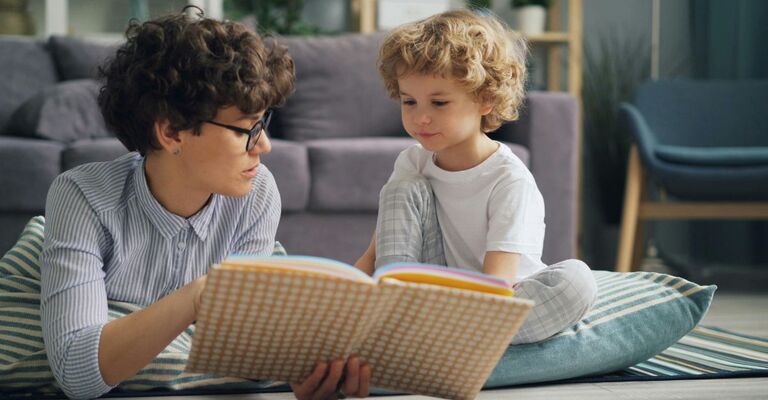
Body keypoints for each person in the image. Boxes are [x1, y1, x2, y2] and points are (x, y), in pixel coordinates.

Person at [40, 8, 369, 400]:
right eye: (245, 129)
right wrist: (203, 294)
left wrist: (303, 367)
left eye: (262, 124)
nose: (264, 146)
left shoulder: (257, 192)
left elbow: (242, 345)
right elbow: (77, 374)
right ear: (171, 132)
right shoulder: (82, 197)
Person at [355, 9, 597, 344]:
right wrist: (348, 304)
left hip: (498, 297)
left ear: (485, 99)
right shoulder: (412, 162)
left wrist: (473, 319)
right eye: (409, 102)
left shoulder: (509, 180)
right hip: (436, 297)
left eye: (439, 103)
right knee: (403, 189)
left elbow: (498, 284)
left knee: (576, 281)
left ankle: (439, 340)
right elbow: (376, 253)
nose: (421, 117)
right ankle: (399, 316)